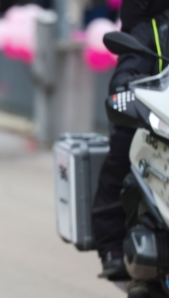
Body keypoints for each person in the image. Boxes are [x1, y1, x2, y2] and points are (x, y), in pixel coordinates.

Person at [91, 0, 169, 284]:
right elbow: (128, 65)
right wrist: (126, 88)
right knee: (122, 155)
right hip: (153, 118)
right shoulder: (150, 28)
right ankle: (112, 246)